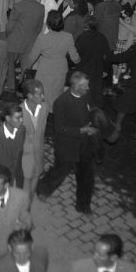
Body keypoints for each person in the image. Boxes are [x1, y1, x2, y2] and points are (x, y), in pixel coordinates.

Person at [36, 72, 98, 215]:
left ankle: (83, 205)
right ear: (74, 87)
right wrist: (82, 130)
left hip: (85, 144)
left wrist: (94, 123)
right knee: (60, 171)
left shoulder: (86, 96)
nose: (87, 88)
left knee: (86, 175)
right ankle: (43, 188)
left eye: (87, 85)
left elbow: (92, 110)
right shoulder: (61, 102)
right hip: (67, 145)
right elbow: (60, 129)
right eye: (84, 86)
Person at [26, 11, 80, 110]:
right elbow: (75, 58)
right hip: (60, 69)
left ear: (48, 24)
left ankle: (42, 116)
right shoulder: (68, 37)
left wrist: (27, 67)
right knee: (56, 93)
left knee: (42, 94)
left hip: (45, 69)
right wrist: (78, 60)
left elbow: (32, 57)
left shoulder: (42, 38)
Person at [5, 0, 45, 92]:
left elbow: (10, 26)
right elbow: (39, 27)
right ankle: (24, 88)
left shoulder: (18, 6)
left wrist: (7, 36)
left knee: (10, 65)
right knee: (26, 68)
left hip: (14, 40)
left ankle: (11, 85)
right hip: (30, 42)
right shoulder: (40, 7)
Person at [20, 79, 49, 200]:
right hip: (24, 156)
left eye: (43, 93)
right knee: (25, 186)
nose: (43, 96)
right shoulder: (19, 112)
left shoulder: (45, 107)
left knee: (34, 183)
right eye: (39, 94)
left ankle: (27, 207)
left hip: (38, 154)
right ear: (30, 95)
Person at [70, 233, 136, 272]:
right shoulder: (78, 268)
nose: (94, 256)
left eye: (100, 254)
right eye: (95, 251)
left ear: (114, 257)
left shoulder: (130, 271)